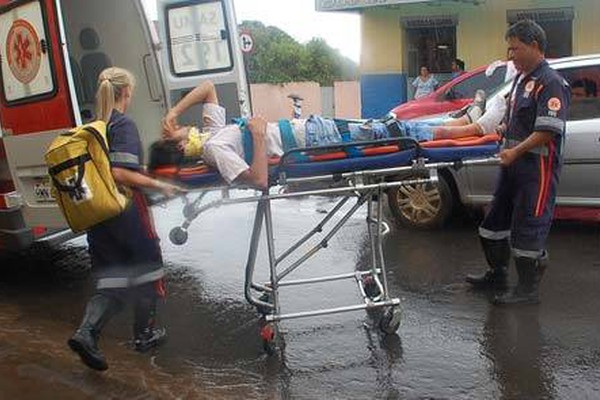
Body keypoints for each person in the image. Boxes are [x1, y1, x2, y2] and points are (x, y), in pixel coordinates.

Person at [161, 81, 497, 189]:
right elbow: (259, 180)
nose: (181, 127)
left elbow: (206, 88)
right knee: (389, 131)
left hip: (311, 129)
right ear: (182, 146)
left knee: (387, 127)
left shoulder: (212, 134)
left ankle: (462, 123)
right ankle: (471, 127)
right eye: (177, 132)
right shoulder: (216, 150)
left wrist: (174, 113)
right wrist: (260, 136)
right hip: (311, 140)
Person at [68, 67, 182, 371]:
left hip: (99, 216)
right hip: (126, 214)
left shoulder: (94, 126)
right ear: (126, 93)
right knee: (147, 271)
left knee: (112, 282)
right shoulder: (124, 125)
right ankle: (144, 336)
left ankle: (86, 333)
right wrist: (160, 184)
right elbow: (120, 172)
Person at [465, 20, 570, 305]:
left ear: (534, 45)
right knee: (493, 222)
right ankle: (496, 274)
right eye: (509, 49)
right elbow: (517, 120)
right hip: (511, 167)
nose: (511, 55)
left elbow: (548, 131)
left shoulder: (550, 83)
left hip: (536, 170)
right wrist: (504, 132)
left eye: (516, 48)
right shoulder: (521, 79)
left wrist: (517, 150)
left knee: (529, 227)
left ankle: (527, 291)